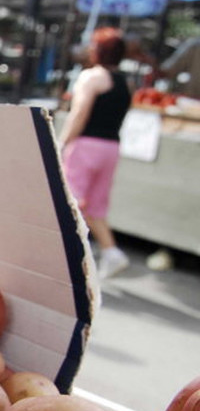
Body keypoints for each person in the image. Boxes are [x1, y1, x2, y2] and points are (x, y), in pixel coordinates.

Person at [59, 27, 134, 279]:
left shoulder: (91, 77)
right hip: (111, 149)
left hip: (87, 146)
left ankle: (68, 260)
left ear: (98, 50)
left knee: (70, 202)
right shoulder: (125, 83)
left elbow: (79, 114)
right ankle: (112, 253)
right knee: (95, 206)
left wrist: (61, 143)